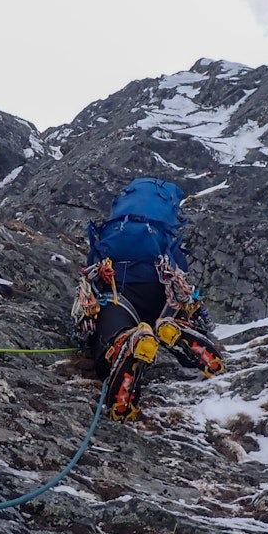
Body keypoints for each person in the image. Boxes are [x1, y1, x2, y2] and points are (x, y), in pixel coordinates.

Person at [70, 177, 225, 420]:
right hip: (161, 291)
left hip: (118, 291)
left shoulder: (112, 230)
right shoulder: (162, 233)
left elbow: (93, 272)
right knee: (179, 312)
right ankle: (175, 326)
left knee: (108, 345)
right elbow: (181, 273)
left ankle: (125, 340)